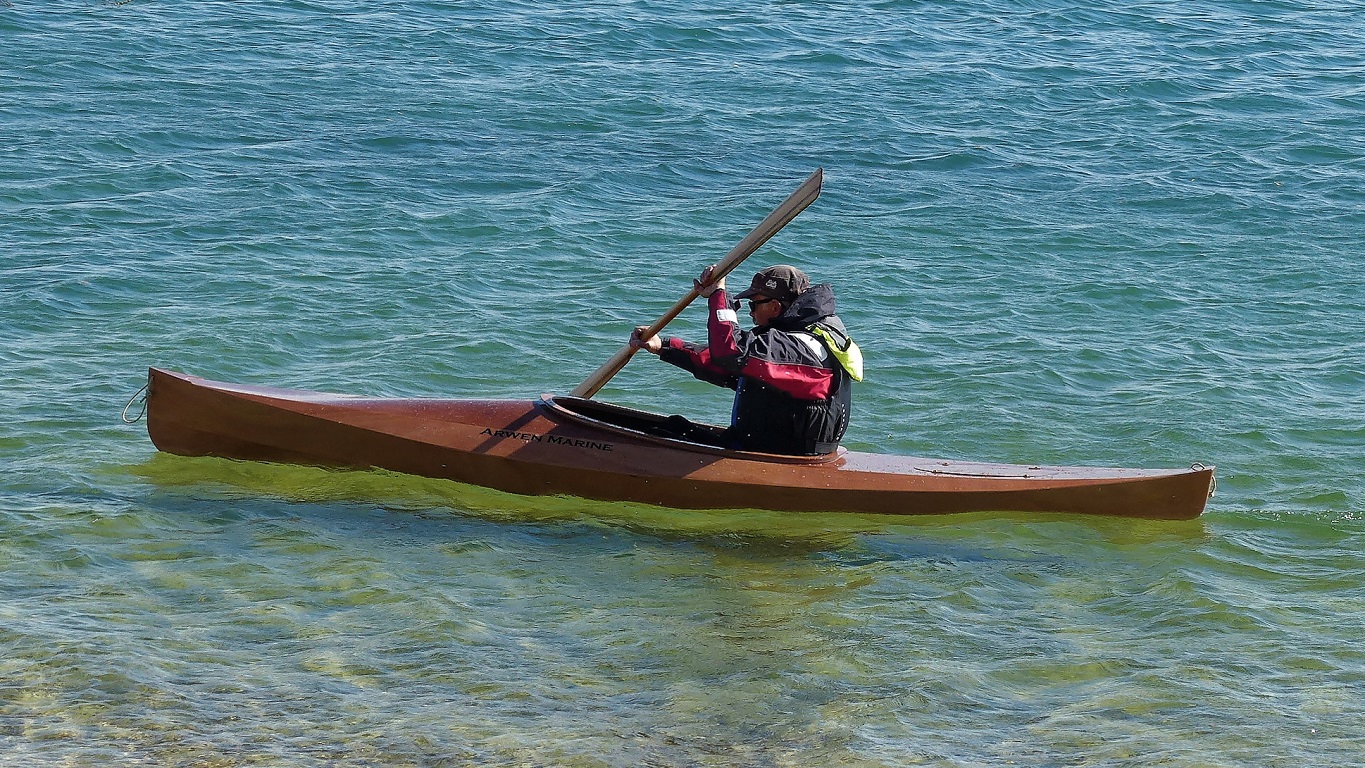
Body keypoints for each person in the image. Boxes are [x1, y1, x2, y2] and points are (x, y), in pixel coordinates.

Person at [630, 264, 862, 455]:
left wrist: (719, 296)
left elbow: (731, 352)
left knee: (659, 439)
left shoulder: (801, 349)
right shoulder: (783, 343)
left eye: (753, 304)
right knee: (673, 426)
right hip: (753, 447)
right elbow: (727, 369)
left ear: (774, 307)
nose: (750, 312)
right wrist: (665, 347)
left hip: (783, 459)